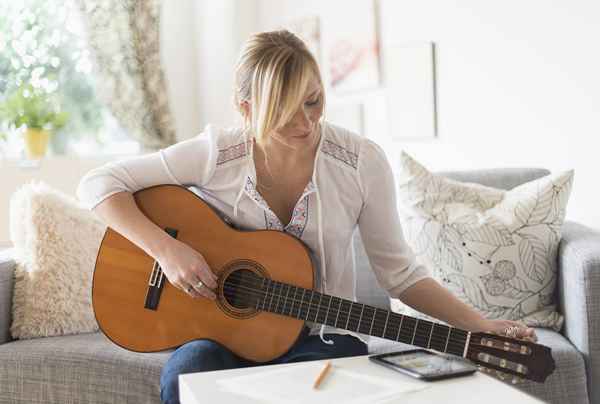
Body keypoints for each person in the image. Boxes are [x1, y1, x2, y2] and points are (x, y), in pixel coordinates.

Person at [77, 30, 537, 404]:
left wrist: (479, 326)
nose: (305, 123)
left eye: (313, 101)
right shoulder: (218, 154)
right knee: (186, 374)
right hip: (221, 340)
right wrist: (168, 250)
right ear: (247, 109)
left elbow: (400, 274)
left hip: (323, 336)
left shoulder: (360, 163)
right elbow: (97, 184)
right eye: (284, 110)